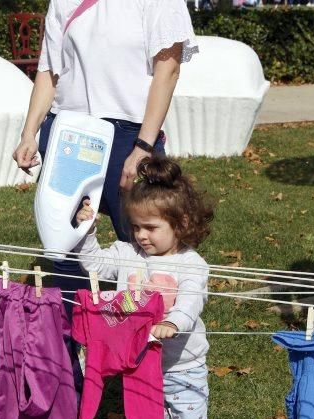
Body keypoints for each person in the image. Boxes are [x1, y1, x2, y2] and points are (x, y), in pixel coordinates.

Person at [12, 0, 198, 306]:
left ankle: (148, 337)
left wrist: (143, 146)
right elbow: (49, 71)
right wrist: (29, 133)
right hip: (70, 134)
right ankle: (74, 341)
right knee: (66, 248)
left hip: (131, 136)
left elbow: (169, 69)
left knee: (145, 245)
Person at [73, 156, 219, 419]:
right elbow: (93, 264)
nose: (141, 235)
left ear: (180, 223)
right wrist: (88, 230)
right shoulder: (127, 254)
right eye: (136, 226)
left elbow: (190, 302)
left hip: (182, 366)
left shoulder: (191, 264)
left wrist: (174, 323)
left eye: (150, 227)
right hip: (139, 366)